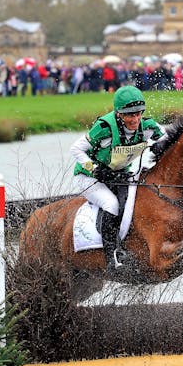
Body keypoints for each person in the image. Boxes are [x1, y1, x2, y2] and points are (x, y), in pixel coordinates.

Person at [70, 85, 165, 271]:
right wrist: (95, 168)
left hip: (118, 176)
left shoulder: (147, 126)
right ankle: (111, 258)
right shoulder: (104, 129)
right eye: (130, 115)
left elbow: (169, 138)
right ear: (119, 114)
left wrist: (160, 146)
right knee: (111, 205)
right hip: (89, 178)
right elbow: (75, 148)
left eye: (138, 113)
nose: (135, 119)